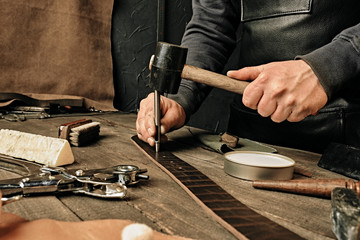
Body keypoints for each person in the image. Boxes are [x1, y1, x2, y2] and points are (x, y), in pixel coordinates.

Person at [136, 0, 360, 153]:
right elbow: (210, 24)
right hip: (247, 141)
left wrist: (325, 68)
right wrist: (181, 95)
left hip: (344, 146)